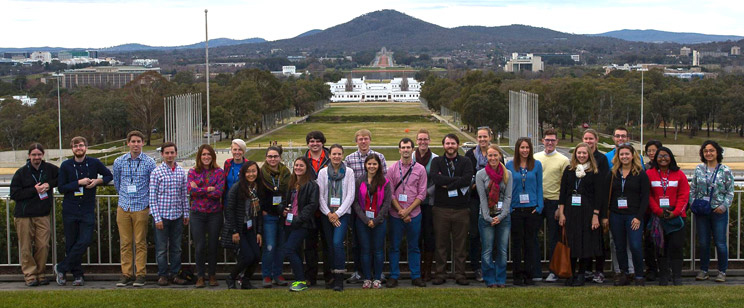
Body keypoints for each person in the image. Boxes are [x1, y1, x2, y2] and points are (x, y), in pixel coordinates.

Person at [55, 137, 112, 287]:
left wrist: (97, 181)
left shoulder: (94, 163)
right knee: (71, 243)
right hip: (70, 209)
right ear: (72, 148)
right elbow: (61, 188)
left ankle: (61, 267)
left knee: (85, 240)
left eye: (81, 145)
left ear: (86, 147)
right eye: (76, 146)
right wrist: (78, 183)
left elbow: (108, 176)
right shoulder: (66, 165)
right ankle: (77, 275)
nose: (79, 148)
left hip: (87, 209)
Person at [10, 143, 59, 287]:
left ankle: (41, 273)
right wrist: (34, 190)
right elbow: (14, 194)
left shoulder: (50, 169)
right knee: (26, 247)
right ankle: (30, 275)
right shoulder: (21, 173)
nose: (36, 157)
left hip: (43, 214)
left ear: (43, 155)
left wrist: (49, 185)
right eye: (34, 155)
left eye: (39, 155)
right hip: (23, 215)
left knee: (43, 245)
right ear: (29, 156)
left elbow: (62, 178)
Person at [113, 131, 156, 287]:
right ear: (128, 143)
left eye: (139, 141)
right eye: (133, 141)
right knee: (125, 242)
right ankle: (126, 274)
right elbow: (117, 183)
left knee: (140, 242)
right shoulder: (119, 161)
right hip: (124, 206)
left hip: (141, 207)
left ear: (143, 143)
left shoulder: (150, 162)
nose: (136, 144)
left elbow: (152, 184)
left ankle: (140, 274)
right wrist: (124, 197)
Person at [344, 129, 387, 284]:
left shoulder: (379, 157)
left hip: (377, 209)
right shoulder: (349, 159)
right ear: (356, 141)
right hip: (359, 208)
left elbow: (385, 182)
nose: (363, 141)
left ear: (370, 140)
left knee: (377, 246)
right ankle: (359, 272)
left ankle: (377, 273)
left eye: (366, 139)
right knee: (358, 243)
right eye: (360, 139)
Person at [557, 143, 603, 286]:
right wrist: (562, 213)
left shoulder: (594, 172)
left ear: (589, 154)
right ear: (575, 154)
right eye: (579, 153)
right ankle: (570, 273)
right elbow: (563, 193)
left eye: (584, 153)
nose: (581, 156)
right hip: (570, 211)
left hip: (587, 212)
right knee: (571, 242)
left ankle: (582, 274)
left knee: (584, 243)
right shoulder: (569, 171)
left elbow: (598, 196)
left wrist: (596, 215)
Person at [430, 134, 474, 286]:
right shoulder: (437, 161)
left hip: (461, 209)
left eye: (453, 143)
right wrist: (457, 181)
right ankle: (440, 274)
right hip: (441, 209)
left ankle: (460, 274)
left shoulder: (465, 161)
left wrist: (447, 184)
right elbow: (436, 179)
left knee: (460, 245)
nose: (450, 146)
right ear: (443, 145)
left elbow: (467, 179)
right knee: (441, 245)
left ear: (458, 145)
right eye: (447, 143)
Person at [691, 140, 735, 283]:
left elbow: (730, 192)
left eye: (711, 150)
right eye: (705, 151)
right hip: (702, 211)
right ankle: (704, 270)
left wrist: (723, 206)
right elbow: (693, 189)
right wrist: (693, 204)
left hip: (719, 212)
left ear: (717, 152)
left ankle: (722, 271)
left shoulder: (725, 170)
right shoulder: (699, 169)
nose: (708, 153)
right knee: (703, 242)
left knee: (720, 242)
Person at [387, 138, 428, 288]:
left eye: (408, 147)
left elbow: (422, 194)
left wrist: (408, 211)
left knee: (414, 246)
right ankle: (394, 275)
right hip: (395, 214)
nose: (405, 150)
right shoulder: (391, 169)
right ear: (399, 150)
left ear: (413, 150)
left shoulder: (420, 169)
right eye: (403, 147)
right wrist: (400, 211)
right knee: (394, 246)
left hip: (414, 214)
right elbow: (390, 194)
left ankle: (416, 276)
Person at [606, 144, 650, 286]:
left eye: (627, 154)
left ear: (633, 156)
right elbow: (606, 195)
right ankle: (624, 273)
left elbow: (645, 198)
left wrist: (639, 217)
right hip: (616, 215)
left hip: (633, 216)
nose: (624, 157)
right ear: (618, 157)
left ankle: (638, 274)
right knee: (619, 246)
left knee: (635, 245)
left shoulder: (640, 174)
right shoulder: (612, 173)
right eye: (621, 154)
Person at [147, 142, 189, 286]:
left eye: (172, 153)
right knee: (161, 249)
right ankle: (163, 275)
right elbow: (152, 198)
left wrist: (186, 213)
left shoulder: (181, 172)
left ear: (176, 154)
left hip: (177, 216)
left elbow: (184, 195)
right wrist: (156, 218)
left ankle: (175, 274)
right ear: (162, 154)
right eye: (167, 153)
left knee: (176, 248)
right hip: (162, 217)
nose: (170, 155)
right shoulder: (156, 173)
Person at [646, 147, 689, 286]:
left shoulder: (679, 174)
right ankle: (663, 276)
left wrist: (675, 212)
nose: (663, 158)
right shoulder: (649, 174)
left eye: (666, 155)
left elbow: (684, 195)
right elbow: (648, 195)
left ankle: (677, 276)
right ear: (655, 158)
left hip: (676, 217)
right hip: (658, 218)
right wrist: (658, 211)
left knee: (676, 246)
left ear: (671, 157)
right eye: (660, 156)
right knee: (660, 248)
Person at [278, 157, 319, 292]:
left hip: (302, 224)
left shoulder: (312, 185)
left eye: (301, 166)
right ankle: (298, 279)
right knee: (294, 251)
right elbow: (286, 201)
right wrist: (282, 209)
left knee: (288, 249)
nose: (298, 168)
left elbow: (312, 205)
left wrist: (299, 219)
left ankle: (301, 280)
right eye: (296, 165)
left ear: (306, 168)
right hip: (289, 221)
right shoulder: (292, 183)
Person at [317, 144, 356, 291]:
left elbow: (350, 195)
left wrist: (337, 214)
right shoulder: (322, 173)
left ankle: (339, 277)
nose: (336, 157)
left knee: (337, 243)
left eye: (339, 154)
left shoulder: (349, 172)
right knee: (329, 246)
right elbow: (320, 195)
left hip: (342, 214)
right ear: (329, 155)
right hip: (326, 214)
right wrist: (328, 213)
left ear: (343, 155)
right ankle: (331, 277)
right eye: (334, 154)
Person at [506, 137, 543, 285]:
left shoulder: (536, 165)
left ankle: (529, 274)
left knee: (530, 243)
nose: (525, 150)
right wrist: (508, 208)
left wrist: (539, 206)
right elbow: (506, 187)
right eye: (522, 147)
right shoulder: (509, 165)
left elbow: (540, 186)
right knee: (516, 243)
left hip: (531, 210)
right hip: (515, 209)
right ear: (517, 149)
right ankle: (517, 275)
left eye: (527, 147)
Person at [533, 128, 569, 282]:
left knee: (554, 238)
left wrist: (560, 209)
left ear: (557, 142)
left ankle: (554, 271)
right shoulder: (535, 158)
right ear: (543, 141)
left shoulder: (563, 160)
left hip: (554, 202)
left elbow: (565, 186)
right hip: (537, 201)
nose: (549, 143)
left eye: (552, 140)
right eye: (547, 140)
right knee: (532, 236)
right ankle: (534, 270)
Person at [188, 144, 225, 288]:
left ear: (213, 156)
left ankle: (212, 275)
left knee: (213, 245)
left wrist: (200, 189)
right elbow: (191, 191)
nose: (206, 157)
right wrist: (209, 189)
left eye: (209, 154)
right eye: (203, 154)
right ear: (199, 156)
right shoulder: (193, 172)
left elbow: (219, 193)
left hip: (214, 214)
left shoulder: (219, 172)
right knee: (200, 246)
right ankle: (200, 276)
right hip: (197, 213)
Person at [224, 161, 266, 290]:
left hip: (250, 228)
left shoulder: (257, 188)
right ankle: (231, 277)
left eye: (253, 171)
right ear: (243, 173)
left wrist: (259, 232)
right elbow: (229, 210)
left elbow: (258, 213)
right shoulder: (237, 188)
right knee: (247, 256)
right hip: (239, 228)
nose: (251, 174)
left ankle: (246, 280)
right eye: (248, 171)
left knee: (257, 256)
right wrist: (234, 231)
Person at [475, 144, 512, 288]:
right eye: (490, 155)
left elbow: (508, 197)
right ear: (486, 158)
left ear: (500, 156)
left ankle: (501, 278)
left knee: (502, 250)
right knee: (487, 250)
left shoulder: (507, 174)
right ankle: (489, 279)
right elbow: (482, 198)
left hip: (503, 217)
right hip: (486, 218)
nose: (493, 158)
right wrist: (488, 217)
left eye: (495, 155)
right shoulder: (481, 175)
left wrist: (501, 216)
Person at [353, 154, 392, 289]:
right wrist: (365, 219)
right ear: (365, 165)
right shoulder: (359, 181)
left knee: (378, 251)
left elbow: (387, 203)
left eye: (374, 164)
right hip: (362, 221)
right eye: (369, 164)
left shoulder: (385, 182)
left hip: (379, 221)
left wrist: (376, 220)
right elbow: (356, 202)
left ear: (379, 166)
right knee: (365, 250)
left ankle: (377, 278)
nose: (372, 166)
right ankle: (367, 278)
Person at [303, 131, 331, 286]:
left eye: (318, 141)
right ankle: (310, 277)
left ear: (323, 143)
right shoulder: (303, 160)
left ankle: (329, 276)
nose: (314, 144)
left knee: (328, 245)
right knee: (310, 246)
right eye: (311, 141)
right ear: (308, 143)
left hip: (327, 209)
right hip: (309, 210)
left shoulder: (330, 158)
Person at [259, 146, 290, 287]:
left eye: (275, 156)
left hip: (282, 215)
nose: (273, 159)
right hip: (268, 216)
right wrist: (263, 210)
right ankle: (266, 275)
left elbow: (288, 194)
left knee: (281, 247)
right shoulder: (261, 174)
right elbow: (259, 195)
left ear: (280, 157)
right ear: (266, 158)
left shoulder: (286, 173)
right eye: (270, 156)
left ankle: (277, 274)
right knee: (270, 246)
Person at [464, 127, 492, 282]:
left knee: (489, 235)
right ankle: (476, 267)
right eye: (480, 137)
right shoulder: (470, 155)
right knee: (474, 234)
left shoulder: (495, 153)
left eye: (485, 137)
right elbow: (467, 176)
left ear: (490, 137)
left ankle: (488, 266)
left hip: (491, 200)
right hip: (474, 199)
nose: (482, 139)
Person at [582, 128, 609, 283]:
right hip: (582, 207)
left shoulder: (602, 159)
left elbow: (603, 187)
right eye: (586, 138)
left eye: (591, 138)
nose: (588, 141)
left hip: (597, 206)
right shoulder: (580, 157)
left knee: (597, 240)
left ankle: (599, 271)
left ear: (596, 140)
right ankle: (586, 269)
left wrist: (602, 213)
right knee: (584, 239)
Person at [413, 128, 438, 281]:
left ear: (429, 141)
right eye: (420, 139)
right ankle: (416, 269)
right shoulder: (411, 157)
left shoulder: (435, 159)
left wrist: (424, 194)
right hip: (412, 205)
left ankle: (427, 270)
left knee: (428, 237)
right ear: (417, 141)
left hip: (429, 203)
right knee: (415, 238)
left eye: (425, 139)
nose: (423, 142)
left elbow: (437, 181)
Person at [643, 139, 662, 281]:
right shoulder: (645, 168)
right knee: (649, 240)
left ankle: (664, 267)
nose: (651, 153)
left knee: (662, 241)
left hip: (663, 211)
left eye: (653, 150)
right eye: (649, 151)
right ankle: (651, 268)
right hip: (648, 210)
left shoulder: (667, 166)